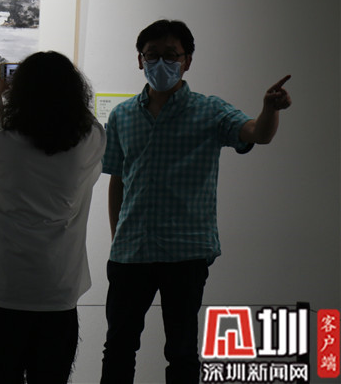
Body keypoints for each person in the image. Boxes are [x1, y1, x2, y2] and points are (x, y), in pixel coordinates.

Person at [99, 19, 292, 384]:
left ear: (187, 61)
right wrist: (116, 242)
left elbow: (257, 133)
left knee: (182, 351)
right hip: (130, 252)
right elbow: (117, 181)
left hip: (185, 252)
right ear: (139, 60)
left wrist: (270, 110)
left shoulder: (210, 111)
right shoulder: (122, 116)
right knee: (119, 346)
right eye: (152, 55)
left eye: (171, 55)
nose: (161, 63)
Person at [0, 51, 107, 384]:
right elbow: (88, 122)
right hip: (58, 287)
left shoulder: (5, 144)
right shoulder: (88, 140)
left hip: (4, 286)